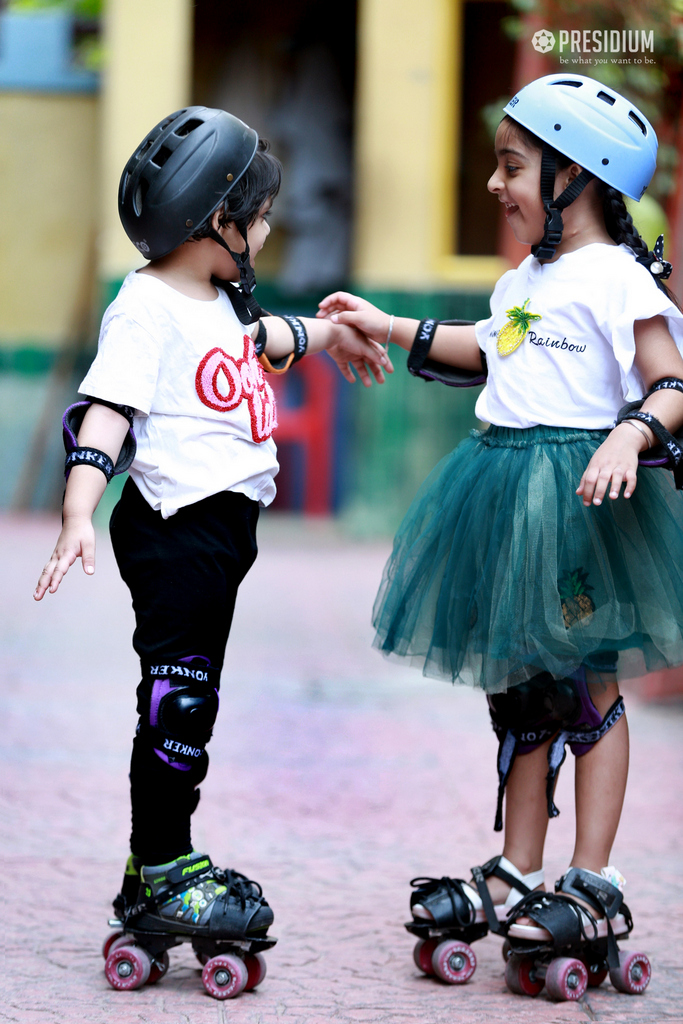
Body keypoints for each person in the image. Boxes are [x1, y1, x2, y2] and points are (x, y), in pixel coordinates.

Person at [318, 75, 683, 994]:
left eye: (513, 167)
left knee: (587, 691)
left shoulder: (616, 278)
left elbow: (671, 383)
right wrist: (385, 324)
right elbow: (486, 350)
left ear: (574, 177)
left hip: (583, 506)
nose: (496, 184)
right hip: (503, 491)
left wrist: (631, 432)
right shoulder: (528, 277)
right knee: (522, 693)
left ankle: (590, 879)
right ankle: (519, 868)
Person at [33, 106, 390, 992]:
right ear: (215, 222)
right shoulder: (146, 306)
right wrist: (79, 510)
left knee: (191, 700)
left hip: (222, 533)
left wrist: (333, 333)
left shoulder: (220, 300)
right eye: (257, 213)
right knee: (178, 704)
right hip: (174, 529)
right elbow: (107, 412)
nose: (268, 226)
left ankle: (149, 868)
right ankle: (164, 867)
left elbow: (264, 342)